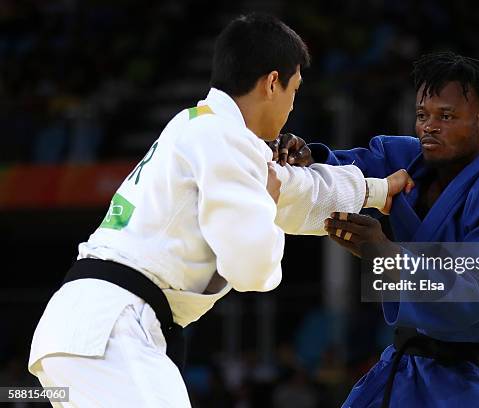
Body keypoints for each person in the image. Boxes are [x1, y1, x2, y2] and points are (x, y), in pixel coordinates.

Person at [28, 14, 412, 407]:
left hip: (88, 331)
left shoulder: (203, 128)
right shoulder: (223, 139)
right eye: (294, 90)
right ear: (272, 83)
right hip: (109, 331)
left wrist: (377, 191)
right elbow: (253, 270)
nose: (293, 105)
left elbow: (296, 192)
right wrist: (266, 199)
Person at [274, 52, 479, 407]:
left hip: (474, 375)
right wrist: (306, 156)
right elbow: (344, 170)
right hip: (406, 364)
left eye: (446, 116)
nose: (429, 127)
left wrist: (385, 253)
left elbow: (471, 295)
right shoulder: (405, 156)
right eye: (423, 115)